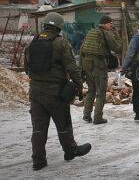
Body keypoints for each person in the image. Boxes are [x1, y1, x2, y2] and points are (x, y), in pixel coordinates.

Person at [24, 12, 91, 171]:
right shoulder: (61, 43)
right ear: (59, 27)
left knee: (38, 128)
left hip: (35, 93)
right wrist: (79, 85)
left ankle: (38, 160)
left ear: (45, 24)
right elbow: (71, 67)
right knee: (63, 123)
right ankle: (70, 151)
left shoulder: (32, 43)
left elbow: (27, 69)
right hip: (56, 93)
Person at [80, 15, 122, 124]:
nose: (111, 25)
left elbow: (82, 49)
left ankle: (86, 115)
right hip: (98, 64)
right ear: (106, 24)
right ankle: (98, 117)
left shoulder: (91, 32)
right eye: (110, 23)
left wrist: (81, 68)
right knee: (101, 92)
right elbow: (117, 47)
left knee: (91, 90)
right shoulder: (106, 33)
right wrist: (116, 33)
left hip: (86, 63)